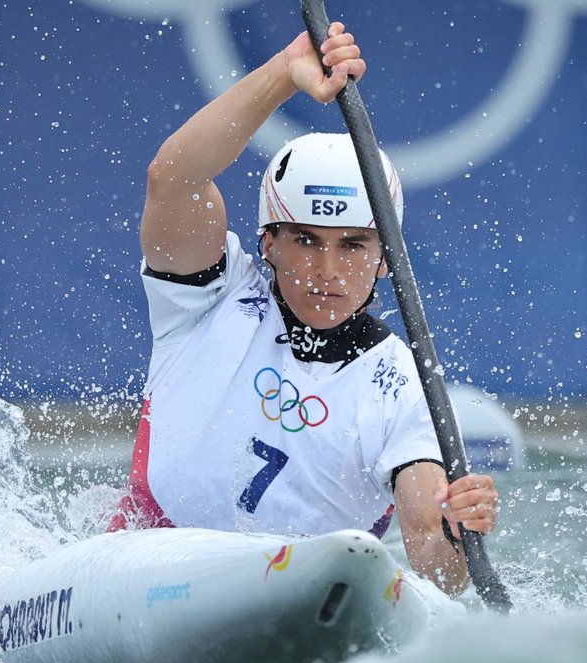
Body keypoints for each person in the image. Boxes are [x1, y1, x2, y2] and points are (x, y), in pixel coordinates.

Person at [108, 20, 499, 597]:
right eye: (307, 241)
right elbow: (174, 178)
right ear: (269, 243)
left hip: (301, 599)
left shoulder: (405, 387)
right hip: (143, 567)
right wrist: (284, 74)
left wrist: (457, 529)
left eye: (353, 246)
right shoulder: (207, 298)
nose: (327, 270)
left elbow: (435, 567)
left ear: (385, 259)